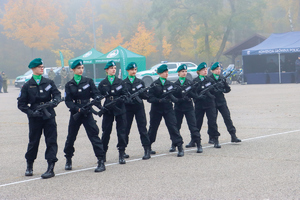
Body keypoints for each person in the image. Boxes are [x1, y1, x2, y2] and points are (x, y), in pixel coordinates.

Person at [17, 58, 61, 179]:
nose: (42, 68)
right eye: (39, 66)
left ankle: (50, 167)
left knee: (51, 141)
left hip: (49, 115)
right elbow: (21, 104)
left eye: (42, 66)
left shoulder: (49, 82)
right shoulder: (27, 85)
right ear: (33, 68)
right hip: (35, 117)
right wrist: (31, 113)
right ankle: (29, 165)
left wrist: (56, 100)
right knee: (33, 142)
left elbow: (57, 94)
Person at [63, 59, 105, 173]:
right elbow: (68, 101)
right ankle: (68, 158)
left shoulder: (88, 81)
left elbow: (96, 93)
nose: (81, 70)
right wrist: (77, 109)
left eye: (82, 68)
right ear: (73, 70)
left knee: (94, 136)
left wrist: (97, 99)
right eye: (78, 68)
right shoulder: (69, 84)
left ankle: (101, 160)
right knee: (71, 137)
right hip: (76, 113)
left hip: (87, 111)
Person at [147, 64, 184, 157]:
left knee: (173, 127)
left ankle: (179, 146)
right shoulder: (154, 84)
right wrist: (159, 100)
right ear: (159, 73)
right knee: (153, 129)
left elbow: (177, 95)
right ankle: (147, 148)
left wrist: (179, 90)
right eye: (164, 72)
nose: (166, 74)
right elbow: (149, 98)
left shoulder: (170, 84)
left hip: (168, 108)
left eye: (167, 72)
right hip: (156, 109)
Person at [98, 61, 128, 164]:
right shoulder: (103, 83)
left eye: (114, 68)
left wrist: (121, 100)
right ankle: (103, 154)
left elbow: (125, 94)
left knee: (121, 131)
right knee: (106, 132)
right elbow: (98, 97)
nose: (113, 70)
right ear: (106, 70)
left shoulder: (121, 82)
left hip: (120, 108)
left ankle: (121, 153)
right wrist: (101, 107)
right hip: (108, 108)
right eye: (111, 68)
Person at [122, 62, 151, 160]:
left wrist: (145, 94)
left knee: (142, 128)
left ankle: (147, 149)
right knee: (125, 129)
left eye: (135, 70)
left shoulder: (140, 82)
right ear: (127, 71)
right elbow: (122, 96)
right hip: (128, 108)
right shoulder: (123, 83)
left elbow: (145, 95)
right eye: (132, 70)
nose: (134, 71)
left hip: (139, 107)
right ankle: (123, 150)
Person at [171, 64, 202, 153]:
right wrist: (179, 97)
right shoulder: (175, 84)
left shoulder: (190, 83)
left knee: (193, 126)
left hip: (188, 107)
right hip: (178, 107)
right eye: (182, 72)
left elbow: (193, 93)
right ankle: (174, 144)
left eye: (185, 71)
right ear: (178, 73)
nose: (184, 73)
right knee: (176, 127)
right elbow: (173, 96)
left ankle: (198, 144)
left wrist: (196, 95)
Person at [209, 62, 241, 143]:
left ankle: (233, 135)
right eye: (216, 69)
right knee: (212, 120)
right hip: (212, 102)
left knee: (227, 118)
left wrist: (223, 90)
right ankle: (212, 137)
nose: (218, 71)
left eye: (219, 69)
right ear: (212, 71)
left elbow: (228, 89)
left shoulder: (222, 78)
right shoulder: (209, 79)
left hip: (221, 101)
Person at [193, 62, 221, 148]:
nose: (205, 71)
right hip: (199, 104)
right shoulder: (195, 81)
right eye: (203, 70)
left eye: (206, 69)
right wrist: (197, 97)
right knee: (197, 123)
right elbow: (192, 93)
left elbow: (215, 91)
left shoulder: (210, 80)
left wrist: (214, 90)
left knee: (212, 122)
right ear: (199, 71)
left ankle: (215, 139)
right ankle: (194, 140)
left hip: (210, 104)